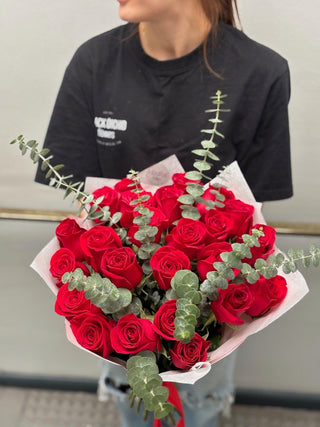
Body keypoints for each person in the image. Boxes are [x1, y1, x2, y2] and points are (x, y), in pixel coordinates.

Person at [35, 1, 293, 426]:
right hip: (118, 314)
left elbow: (253, 221)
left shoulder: (259, 73)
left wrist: (207, 313)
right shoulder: (95, 63)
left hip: (210, 316)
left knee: (202, 406)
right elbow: (86, 210)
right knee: (132, 404)